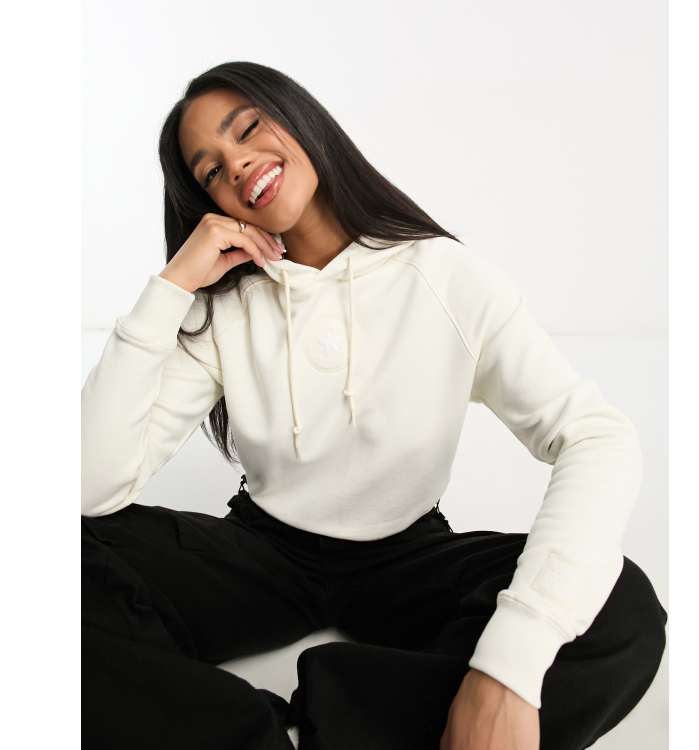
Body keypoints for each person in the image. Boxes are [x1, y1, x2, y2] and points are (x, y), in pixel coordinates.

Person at [81, 61, 667, 750]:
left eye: (248, 128)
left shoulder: (444, 276)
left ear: (301, 118)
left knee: (620, 610)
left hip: (408, 561)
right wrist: (173, 285)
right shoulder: (223, 307)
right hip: (263, 554)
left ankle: (333, 723)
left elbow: (595, 436)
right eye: (210, 171)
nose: (235, 164)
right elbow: (88, 484)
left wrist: (507, 670)